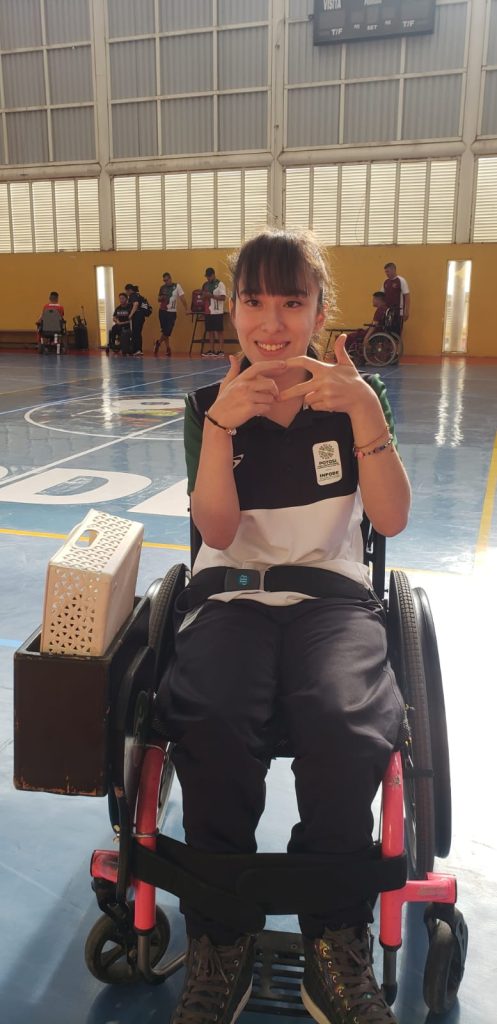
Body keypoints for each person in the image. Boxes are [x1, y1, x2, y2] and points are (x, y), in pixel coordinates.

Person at [155, 229, 411, 1024]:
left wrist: (364, 412)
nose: (271, 323)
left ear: (319, 311)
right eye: (254, 301)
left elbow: (390, 519)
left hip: (329, 602)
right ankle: (221, 937)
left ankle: (332, 938)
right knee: (210, 712)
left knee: (343, 716)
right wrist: (221, 431)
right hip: (230, 598)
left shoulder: (355, 396)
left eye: (291, 303)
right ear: (231, 310)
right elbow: (217, 531)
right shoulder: (208, 407)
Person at [344, 290, 388, 365]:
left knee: (349, 337)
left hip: (374, 332)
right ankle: (357, 357)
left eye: (373, 299)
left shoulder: (380, 310)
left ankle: (345, 357)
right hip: (380, 331)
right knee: (357, 333)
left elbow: (374, 326)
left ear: (378, 299)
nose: (372, 301)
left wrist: (366, 337)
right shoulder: (386, 308)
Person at [154, 272, 187, 357]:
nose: (166, 282)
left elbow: (182, 298)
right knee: (165, 331)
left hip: (172, 312)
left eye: (167, 280)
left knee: (167, 331)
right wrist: (161, 297)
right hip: (163, 311)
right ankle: (168, 348)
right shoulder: (162, 288)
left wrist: (186, 308)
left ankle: (158, 342)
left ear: (170, 278)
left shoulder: (177, 286)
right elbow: (158, 299)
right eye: (164, 281)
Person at [201, 266, 227, 358]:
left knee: (219, 331)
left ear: (213, 275)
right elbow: (202, 297)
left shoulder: (220, 284)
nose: (208, 278)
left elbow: (223, 297)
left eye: (209, 276)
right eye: (207, 276)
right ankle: (211, 350)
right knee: (210, 331)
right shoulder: (205, 285)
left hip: (217, 311)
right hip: (208, 311)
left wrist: (211, 296)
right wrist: (204, 296)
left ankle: (221, 350)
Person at [382, 263, 410, 334]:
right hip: (388, 312)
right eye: (385, 272)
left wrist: (406, 311)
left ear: (393, 270)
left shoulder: (401, 280)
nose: (386, 273)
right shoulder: (386, 282)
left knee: (396, 333)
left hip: (398, 312)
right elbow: (381, 295)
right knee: (387, 333)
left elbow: (407, 296)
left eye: (387, 271)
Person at [124, 282, 146, 356]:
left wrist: (131, 314)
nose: (126, 293)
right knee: (138, 333)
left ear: (129, 290)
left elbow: (136, 304)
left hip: (137, 317)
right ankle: (139, 350)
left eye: (126, 291)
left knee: (135, 333)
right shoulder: (138, 295)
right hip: (141, 316)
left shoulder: (133, 295)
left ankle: (136, 350)